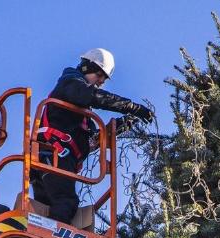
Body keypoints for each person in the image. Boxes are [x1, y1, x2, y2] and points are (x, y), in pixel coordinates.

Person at [32, 48, 153, 223]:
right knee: (66, 202)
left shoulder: (78, 111)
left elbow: (91, 139)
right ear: (87, 67)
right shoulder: (70, 83)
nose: (101, 82)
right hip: (55, 155)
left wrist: (123, 124)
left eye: (104, 79)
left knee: (46, 208)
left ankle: (43, 237)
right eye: (99, 75)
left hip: (54, 158)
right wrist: (131, 106)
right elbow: (93, 96)